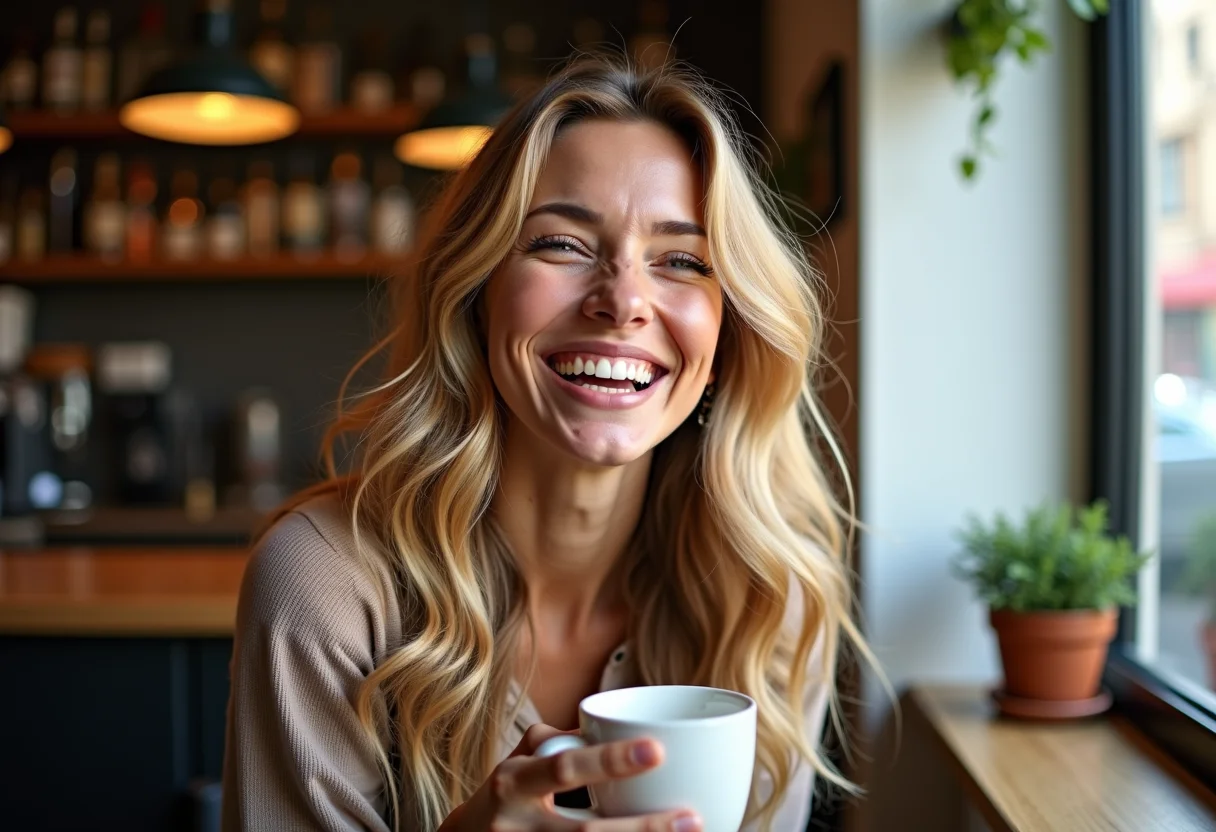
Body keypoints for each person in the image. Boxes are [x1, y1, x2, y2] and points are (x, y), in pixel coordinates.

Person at [221, 55, 872, 832]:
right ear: (474, 293)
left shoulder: (768, 596)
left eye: (683, 261)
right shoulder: (323, 588)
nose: (624, 300)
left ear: (728, 333)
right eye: (562, 244)